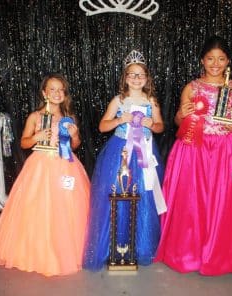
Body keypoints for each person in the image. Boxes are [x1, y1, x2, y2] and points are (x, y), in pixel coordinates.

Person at [154, 36, 232, 277]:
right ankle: (189, 249)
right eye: (210, 58)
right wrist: (181, 113)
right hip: (194, 149)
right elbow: (178, 123)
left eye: (221, 59)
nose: (215, 63)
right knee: (192, 199)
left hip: (224, 149)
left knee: (223, 197)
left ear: (228, 61)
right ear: (202, 60)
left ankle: (222, 249)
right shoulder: (191, 87)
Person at [0, 73, 90, 277]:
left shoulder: (69, 118)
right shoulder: (35, 117)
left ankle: (66, 249)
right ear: (44, 93)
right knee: (38, 208)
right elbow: (24, 142)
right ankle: (38, 251)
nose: (57, 93)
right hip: (40, 166)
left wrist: (75, 135)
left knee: (65, 209)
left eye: (60, 89)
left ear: (64, 93)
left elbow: (75, 146)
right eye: (52, 89)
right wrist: (36, 137)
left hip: (65, 165)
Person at [83, 50, 166, 271]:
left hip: (144, 153)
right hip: (120, 153)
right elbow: (102, 126)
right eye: (132, 74)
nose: (136, 78)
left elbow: (160, 127)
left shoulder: (152, 101)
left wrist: (150, 124)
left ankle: (142, 245)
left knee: (143, 195)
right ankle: (115, 244)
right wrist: (121, 118)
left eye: (141, 75)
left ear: (147, 78)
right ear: (125, 77)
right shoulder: (118, 100)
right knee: (118, 193)